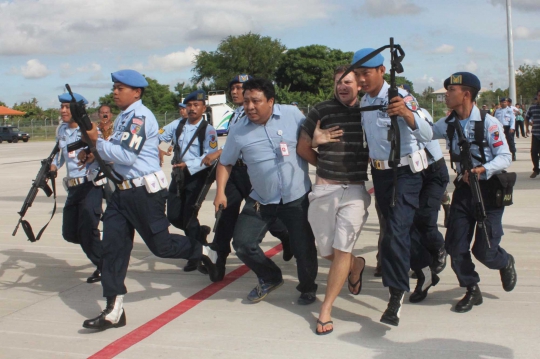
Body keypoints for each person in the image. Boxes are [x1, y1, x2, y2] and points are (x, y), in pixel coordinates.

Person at [81, 70, 219, 331]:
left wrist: (97, 142)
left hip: (144, 193)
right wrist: (94, 151)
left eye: (120, 88)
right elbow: (115, 155)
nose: (115, 92)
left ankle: (203, 251)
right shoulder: (124, 118)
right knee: (113, 250)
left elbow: (125, 155)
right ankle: (114, 310)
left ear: (137, 92)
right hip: (120, 194)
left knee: (161, 246)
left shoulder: (140, 117)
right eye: (115, 87)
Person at [214, 78, 318, 305]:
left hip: (296, 197)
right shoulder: (238, 130)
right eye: (246, 101)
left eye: (256, 101)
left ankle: (308, 287)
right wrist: (220, 191)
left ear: (271, 101)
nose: (249, 106)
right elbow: (225, 162)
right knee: (242, 243)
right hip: (261, 198)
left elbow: (312, 138)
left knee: (304, 248)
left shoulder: (292, 115)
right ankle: (270, 276)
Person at [352, 48, 433, 326]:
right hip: (381, 177)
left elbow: (427, 131)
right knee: (401, 228)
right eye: (358, 74)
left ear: (382, 71)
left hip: (406, 172)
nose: (361, 79)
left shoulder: (399, 96)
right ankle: (425, 265)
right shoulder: (364, 100)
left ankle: (396, 294)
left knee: (393, 234)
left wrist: (408, 116)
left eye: (367, 73)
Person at [432, 72, 517, 313]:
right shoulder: (447, 123)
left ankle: (505, 261)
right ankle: (471, 289)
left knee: (485, 251)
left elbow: (505, 157)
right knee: (455, 245)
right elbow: (424, 132)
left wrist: (482, 169)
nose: (447, 94)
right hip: (464, 190)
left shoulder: (489, 123)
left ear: (466, 94)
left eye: (451, 91)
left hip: (489, 191)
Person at [296, 65, 370, 335]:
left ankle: (325, 309)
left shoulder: (368, 111)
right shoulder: (320, 110)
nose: (342, 86)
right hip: (325, 189)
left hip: (355, 190)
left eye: (347, 81)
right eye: (338, 81)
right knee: (326, 251)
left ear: (359, 84)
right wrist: (319, 147)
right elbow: (303, 148)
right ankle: (356, 266)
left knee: (342, 249)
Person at [200, 74, 292, 281]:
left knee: (264, 213)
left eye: (240, 88)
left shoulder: (259, 115)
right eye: (232, 88)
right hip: (234, 170)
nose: (235, 92)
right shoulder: (234, 115)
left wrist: (218, 152)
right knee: (225, 214)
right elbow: (234, 142)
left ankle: (286, 235)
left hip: (252, 172)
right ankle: (218, 259)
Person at [158, 90, 218, 272]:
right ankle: (200, 234)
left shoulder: (208, 129)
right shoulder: (178, 124)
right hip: (178, 175)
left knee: (189, 216)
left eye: (196, 105)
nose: (191, 109)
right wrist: (158, 149)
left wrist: (189, 164)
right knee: (174, 216)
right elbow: (156, 135)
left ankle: (195, 255)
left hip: (197, 175)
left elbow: (210, 154)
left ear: (203, 108)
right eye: (189, 105)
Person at [51, 93, 103, 284]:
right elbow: (59, 155)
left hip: (90, 185)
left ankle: (105, 264)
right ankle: (104, 253)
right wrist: (53, 167)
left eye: (67, 107)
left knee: (88, 228)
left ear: (77, 110)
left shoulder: (88, 130)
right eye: (62, 107)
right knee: (70, 233)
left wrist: (92, 156)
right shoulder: (62, 130)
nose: (63, 110)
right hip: (73, 189)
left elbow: (102, 152)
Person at [526, 90, 540, 178]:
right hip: (536, 134)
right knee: (534, 152)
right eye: (539, 95)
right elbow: (527, 117)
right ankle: (536, 169)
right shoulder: (533, 107)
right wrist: (527, 128)